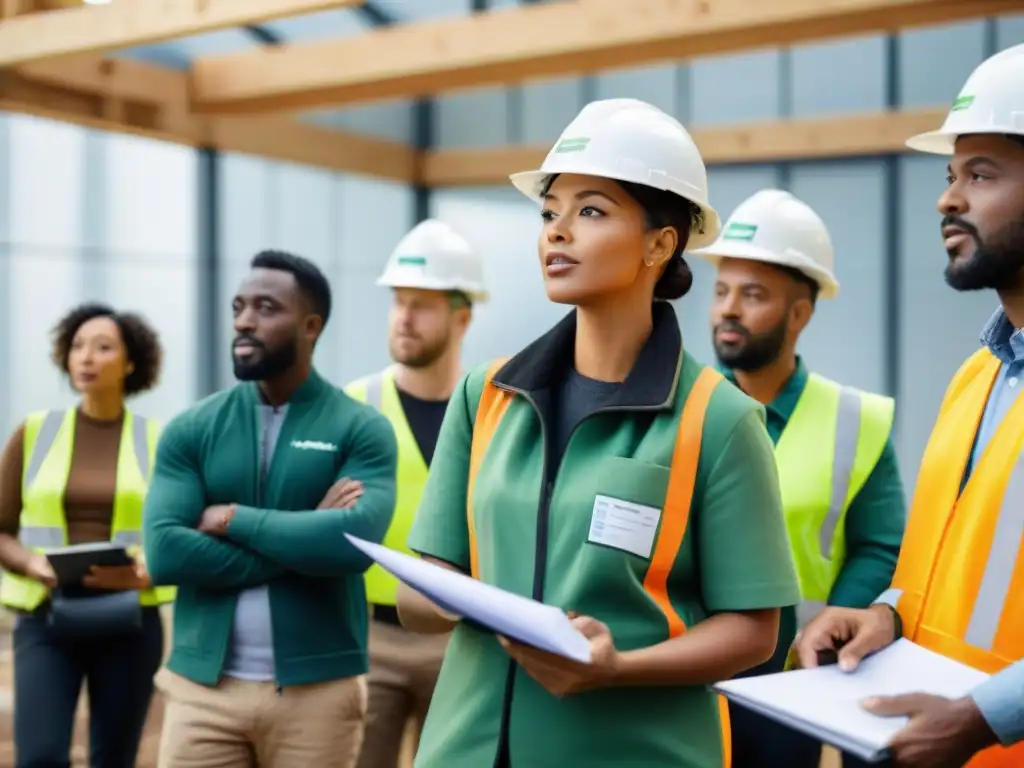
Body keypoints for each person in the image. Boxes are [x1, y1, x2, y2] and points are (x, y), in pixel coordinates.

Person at [395, 97, 802, 768]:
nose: (557, 232)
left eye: (590, 211)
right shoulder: (486, 395)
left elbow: (755, 632)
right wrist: (454, 599)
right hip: (463, 746)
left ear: (660, 243)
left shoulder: (719, 419)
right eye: (550, 212)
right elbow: (422, 591)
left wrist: (617, 666)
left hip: (631, 750)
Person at [794, 44, 1024, 768]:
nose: (947, 199)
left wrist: (982, 718)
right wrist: (887, 615)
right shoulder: (978, 378)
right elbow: (952, 564)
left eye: (980, 175)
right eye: (950, 174)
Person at [142, 250, 398, 768]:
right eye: (238, 306)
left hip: (318, 696)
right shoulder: (192, 428)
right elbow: (166, 553)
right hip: (202, 694)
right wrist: (305, 533)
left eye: (265, 307)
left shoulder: (359, 428)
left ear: (310, 325)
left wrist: (233, 520)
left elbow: (354, 543)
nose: (243, 321)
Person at [689, 189, 907, 768]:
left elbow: (880, 545)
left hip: (789, 686)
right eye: (721, 291)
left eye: (753, 295)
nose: (728, 309)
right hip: (680, 673)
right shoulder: (680, 405)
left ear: (800, 314)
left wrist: (839, 623)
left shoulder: (857, 422)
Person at [0, 302, 171, 768]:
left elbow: (176, 534)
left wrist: (143, 574)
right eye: (77, 346)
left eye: (103, 347)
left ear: (131, 362)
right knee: (39, 757)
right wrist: (34, 563)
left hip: (130, 621)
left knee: (113, 759)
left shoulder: (159, 441)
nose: (86, 357)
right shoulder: (34, 432)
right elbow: (1, 530)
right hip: (46, 614)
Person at [345, 218, 487, 768]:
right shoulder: (352, 407)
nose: (404, 318)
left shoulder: (492, 410)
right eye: (399, 302)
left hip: (461, 638)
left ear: (463, 316)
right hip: (368, 636)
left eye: (422, 305)